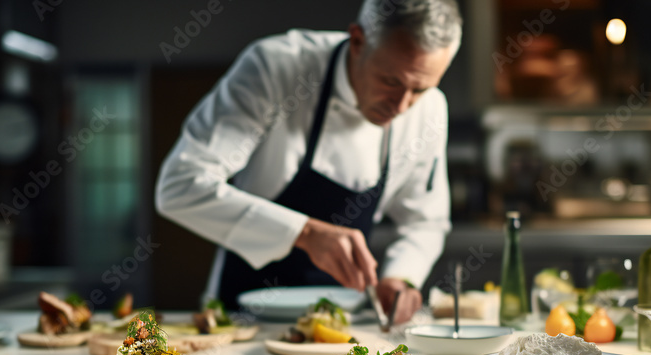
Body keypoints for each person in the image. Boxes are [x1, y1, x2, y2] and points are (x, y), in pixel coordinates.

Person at [156, 0, 462, 323]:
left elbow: (424, 222)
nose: (402, 106)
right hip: (241, 318)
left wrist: (401, 277)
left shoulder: (429, 111)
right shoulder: (276, 68)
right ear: (358, 41)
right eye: (391, 81)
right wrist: (305, 233)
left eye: (420, 89)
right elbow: (180, 185)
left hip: (343, 325)